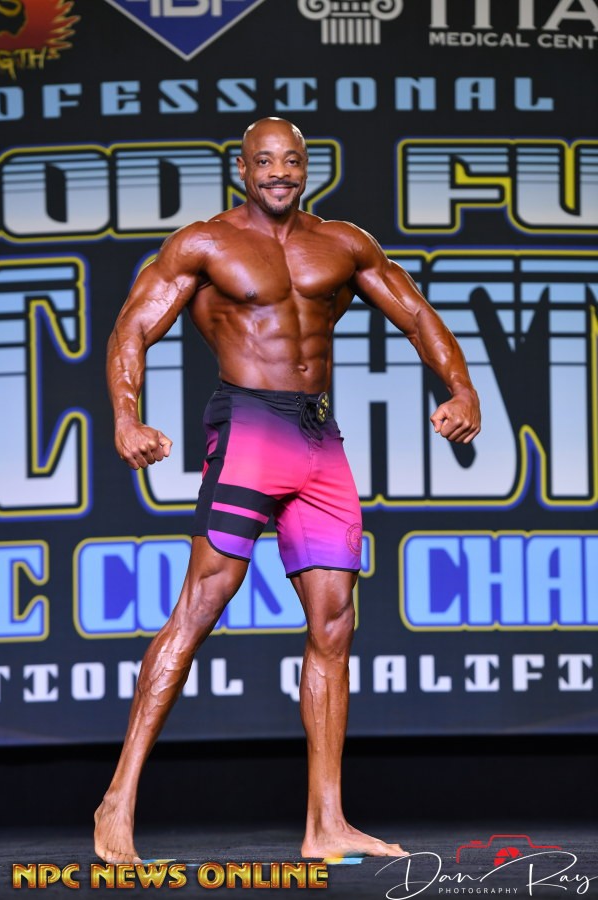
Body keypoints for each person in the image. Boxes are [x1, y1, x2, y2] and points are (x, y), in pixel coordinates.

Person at [94, 117, 481, 864]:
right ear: (241, 169)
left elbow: (416, 314)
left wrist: (461, 389)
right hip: (248, 427)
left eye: (292, 160)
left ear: (308, 168)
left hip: (318, 437)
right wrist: (126, 416)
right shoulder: (204, 244)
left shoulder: (343, 243)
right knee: (201, 605)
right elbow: (131, 329)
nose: (279, 172)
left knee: (335, 624)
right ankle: (118, 800)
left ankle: (326, 823)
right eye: (265, 160)